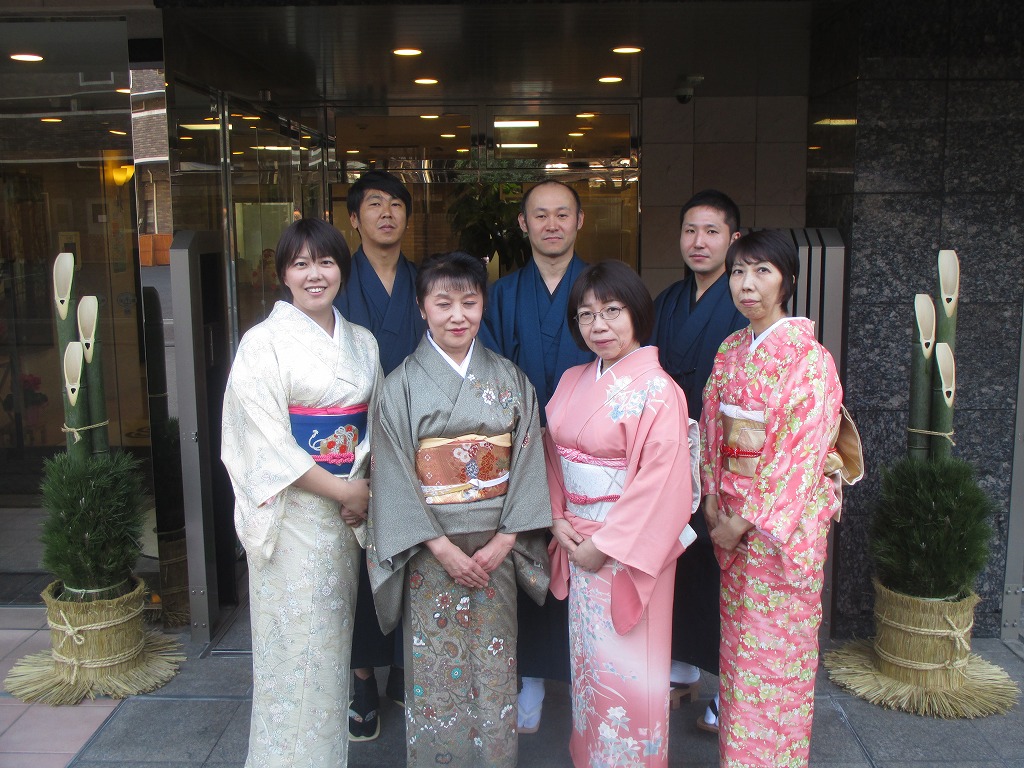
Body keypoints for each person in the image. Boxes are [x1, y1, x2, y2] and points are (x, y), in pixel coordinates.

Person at [367, 251, 552, 767]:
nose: (457, 315)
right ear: (422, 308)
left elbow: (528, 459)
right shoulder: (400, 385)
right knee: (434, 671)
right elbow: (393, 474)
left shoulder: (509, 379)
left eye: (469, 303)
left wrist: (507, 539)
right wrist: (440, 547)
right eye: (443, 303)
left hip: (498, 550)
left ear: (483, 306)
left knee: (495, 668)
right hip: (431, 552)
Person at [221, 219, 381, 768]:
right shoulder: (261, 344)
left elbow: (374, 428)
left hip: (342, 522)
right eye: (301, 264)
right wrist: (343, 489)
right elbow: (263, 440)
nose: (315, 274)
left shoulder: (362, 342)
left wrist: (360, 488)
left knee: (331, 654)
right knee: (291, 657)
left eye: (326, 262)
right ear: (283, 274)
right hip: (291, 518)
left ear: (342, 269)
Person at [701, 229, 843, 767]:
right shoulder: (731, 349)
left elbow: (799, 453)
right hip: (731, 518)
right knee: (739, 652)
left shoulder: (809, 358)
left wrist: (742, 521)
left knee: (775, 658)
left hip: (779, 530)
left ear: (787, 280)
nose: (747, 284)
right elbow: (711, 427)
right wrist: (711, 496)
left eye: (762, 271)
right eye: (738, 271)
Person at [546, 260, 694, 768]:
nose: (599, 325)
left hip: (626, 551)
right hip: (576, 539)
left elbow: (663, 483)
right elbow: (552, 456)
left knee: (632, 669)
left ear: (637, 313)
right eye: (586, 314)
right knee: (590, 669)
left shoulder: (659, 391)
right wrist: (557, 517)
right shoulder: (572, 379)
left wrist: (604, 545)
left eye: (612, 310)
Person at [479, 179, 594, 731]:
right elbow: (489, 375)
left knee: (584, 560)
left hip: (589, 454)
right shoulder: (501, 295)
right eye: (540, 215)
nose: (552, 224)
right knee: (525, 558)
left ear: (579, 221)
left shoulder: (598, 289)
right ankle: (528, 677)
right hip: (520, 452)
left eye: (562, 214)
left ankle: (586, 675)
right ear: (523, 224)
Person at [334, 169, 426, 739]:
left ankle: (407, 669)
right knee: (359, 563)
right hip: (353, 449)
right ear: (354, 218)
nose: (386, 213)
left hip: (419, 444)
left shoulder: (425, 281)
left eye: (396, 204)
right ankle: (363, 677)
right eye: (374, 204)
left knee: (417, 557)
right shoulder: (336, 282)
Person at [650, 189, 746, 731]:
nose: (699, 241)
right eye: (690, 230)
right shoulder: (667, 300)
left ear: (733, 239)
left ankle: (734, 687)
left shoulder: (746, 300)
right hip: (673, 448)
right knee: (680, 553)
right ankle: (683, 665)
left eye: (711, 231)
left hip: (729, 455)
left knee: (727, 566)